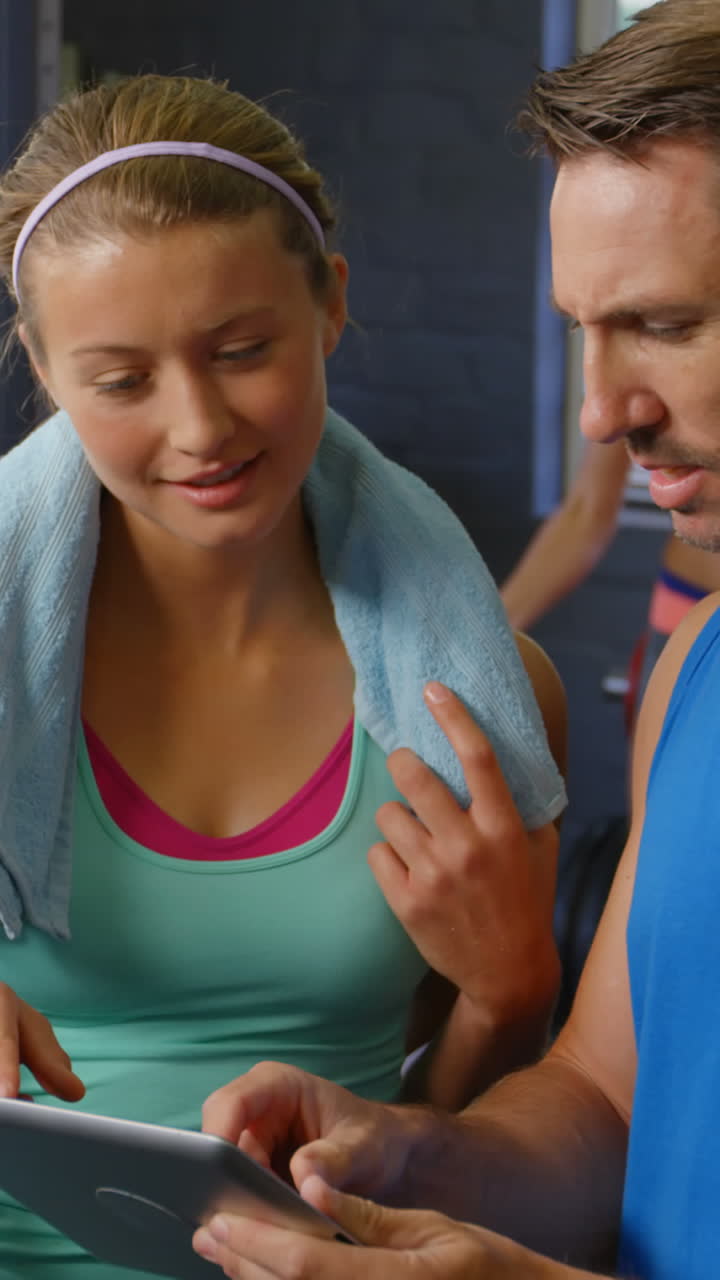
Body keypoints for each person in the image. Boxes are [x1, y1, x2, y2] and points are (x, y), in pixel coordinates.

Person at [185, 3, 720, 1278]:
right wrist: (417, 1152)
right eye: (583, 330)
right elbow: (602, 1102)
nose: (603, 412)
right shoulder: (695, 672)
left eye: (671, 325)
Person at [0, 74, 567, 1277]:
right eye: (120, 381)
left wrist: (510, 995)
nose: (200, 424)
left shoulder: (482, 705)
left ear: (333, 310)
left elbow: (465, 1160)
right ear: (44, 373)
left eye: (243, 349)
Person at [500, 437, 720, 728]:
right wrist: (479, 640)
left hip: (688, 607)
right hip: (684, 604)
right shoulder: (615, 404)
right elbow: (585, 512)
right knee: (655, 772)